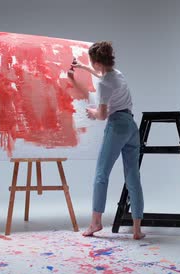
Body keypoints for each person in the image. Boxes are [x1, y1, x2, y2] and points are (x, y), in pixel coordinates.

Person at [68, 41, 145, 240]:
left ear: (97, 62)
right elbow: (103, 76)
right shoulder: (117, 74)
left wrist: (92, 113)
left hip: (117, 126)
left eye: (91, 62)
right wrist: (84, 68)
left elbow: (102, 115)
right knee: (133, 177)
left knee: (101, 173)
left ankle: (95, 223)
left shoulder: (103, 84)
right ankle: (137, 230)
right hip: (131, 126)